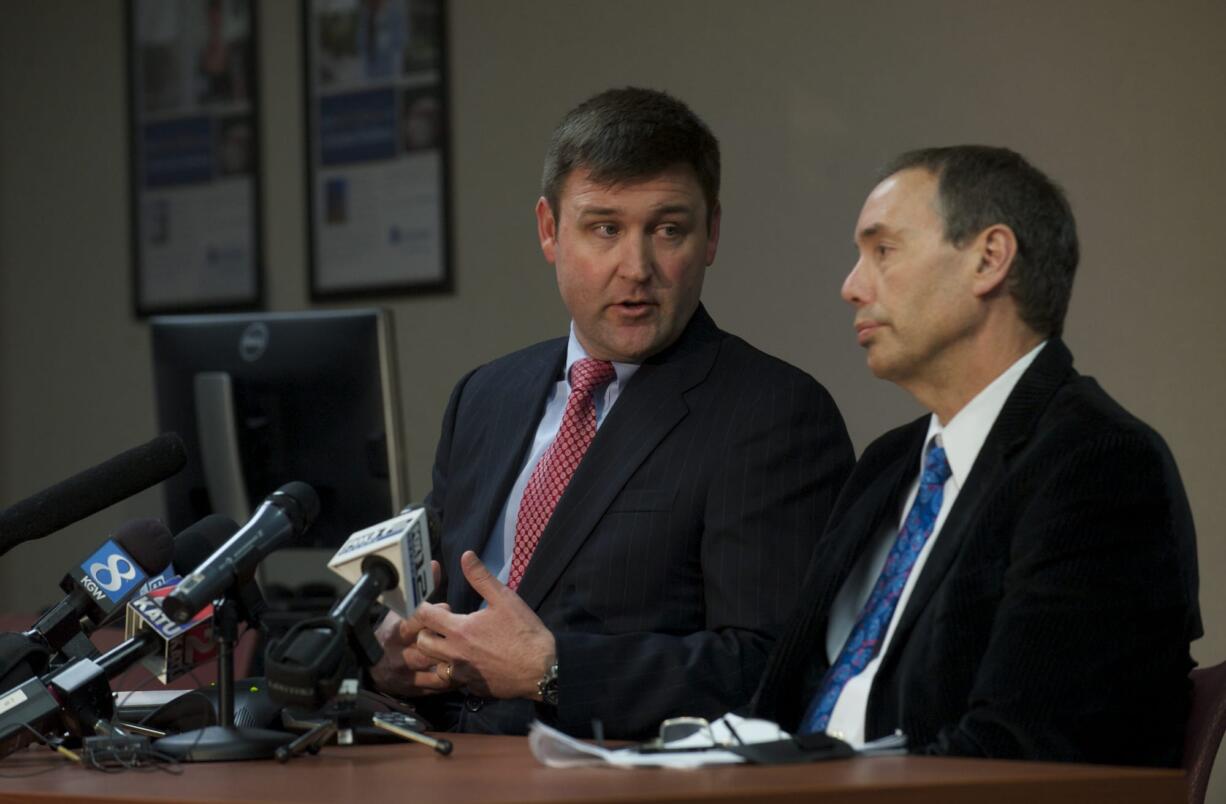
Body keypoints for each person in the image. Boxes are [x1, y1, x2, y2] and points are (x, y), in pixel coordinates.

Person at [369, 87, 855, 739]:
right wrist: (396, 652)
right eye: (605, 228)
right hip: (443, 760)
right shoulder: (485, 396)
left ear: (710, 235)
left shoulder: (775, 413)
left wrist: (554, 669)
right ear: (549, 230)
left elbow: (773, 669)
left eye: (669, 230)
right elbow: (439, 598)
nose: (637, 268)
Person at [752, 145, 1201, 766]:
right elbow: (775, 710)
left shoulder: (1100, 464)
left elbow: (1021, 752)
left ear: (988, 259)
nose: (851, 287)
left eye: (883, 250)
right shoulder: (888, 464)